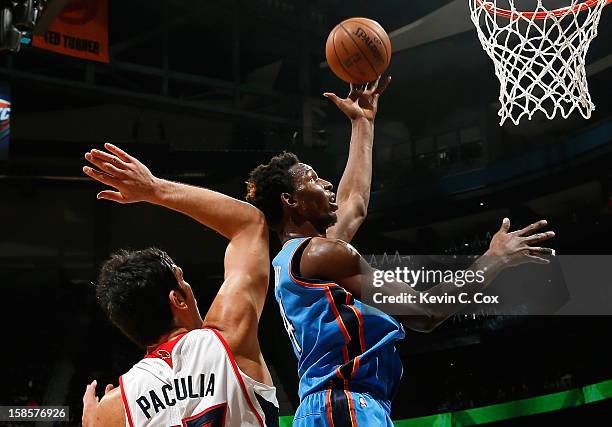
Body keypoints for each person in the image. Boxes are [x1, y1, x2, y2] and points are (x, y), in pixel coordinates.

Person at [246, 78, 555, 426]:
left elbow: (356, 204)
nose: (327, 183)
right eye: (314, 180)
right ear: (290, 200)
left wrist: (362, 123)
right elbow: (425, 312)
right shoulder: (322, 254)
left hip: (338, 405)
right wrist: (493, 259)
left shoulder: (298, 257)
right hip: (344, 404)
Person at [80, 143, 278, 427]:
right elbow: (250, 224)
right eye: (185, 284)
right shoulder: (229, 339)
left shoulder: (113, 409)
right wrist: (154, 188)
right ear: (178, 299)